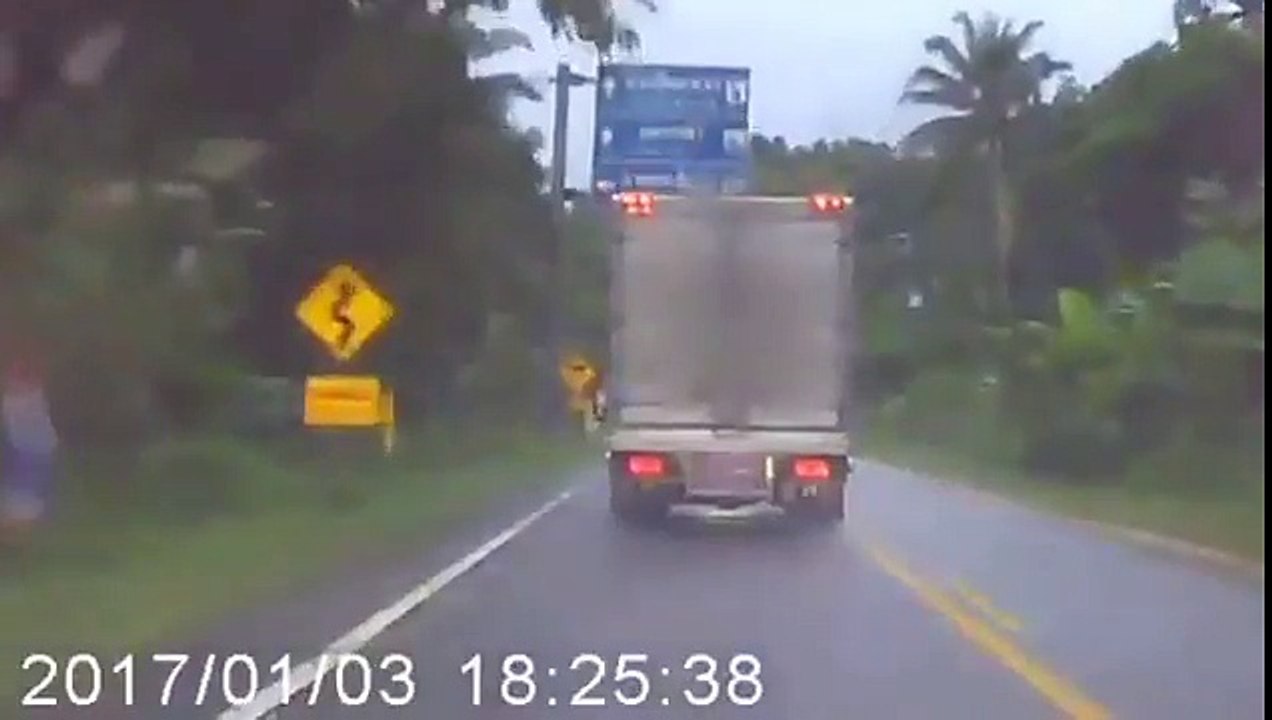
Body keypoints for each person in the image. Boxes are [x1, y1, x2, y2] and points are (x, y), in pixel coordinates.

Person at [1, 356, 59, 544]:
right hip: (28, 453)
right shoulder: (23, 400)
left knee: (23, 504)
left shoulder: (21, 401)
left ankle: (15, 535)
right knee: (22, 503)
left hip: (29, 454)